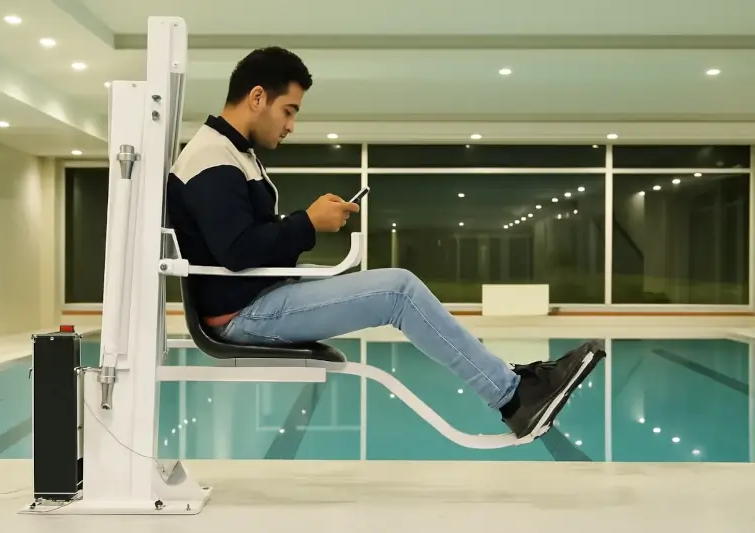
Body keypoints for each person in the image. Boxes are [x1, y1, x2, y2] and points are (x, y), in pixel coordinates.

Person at [165, 46, 605, 440]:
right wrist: (307, 223)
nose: (292, 125)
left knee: (393, 288)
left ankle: (510, 381)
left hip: (259, 297)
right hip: (243, 315)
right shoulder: (212, 157)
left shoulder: (233, 154)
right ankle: (513, 398)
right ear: (257, 97)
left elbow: (242, 241)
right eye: (289, 110)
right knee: (397, 290)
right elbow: (237, 250)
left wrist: (307, 224)